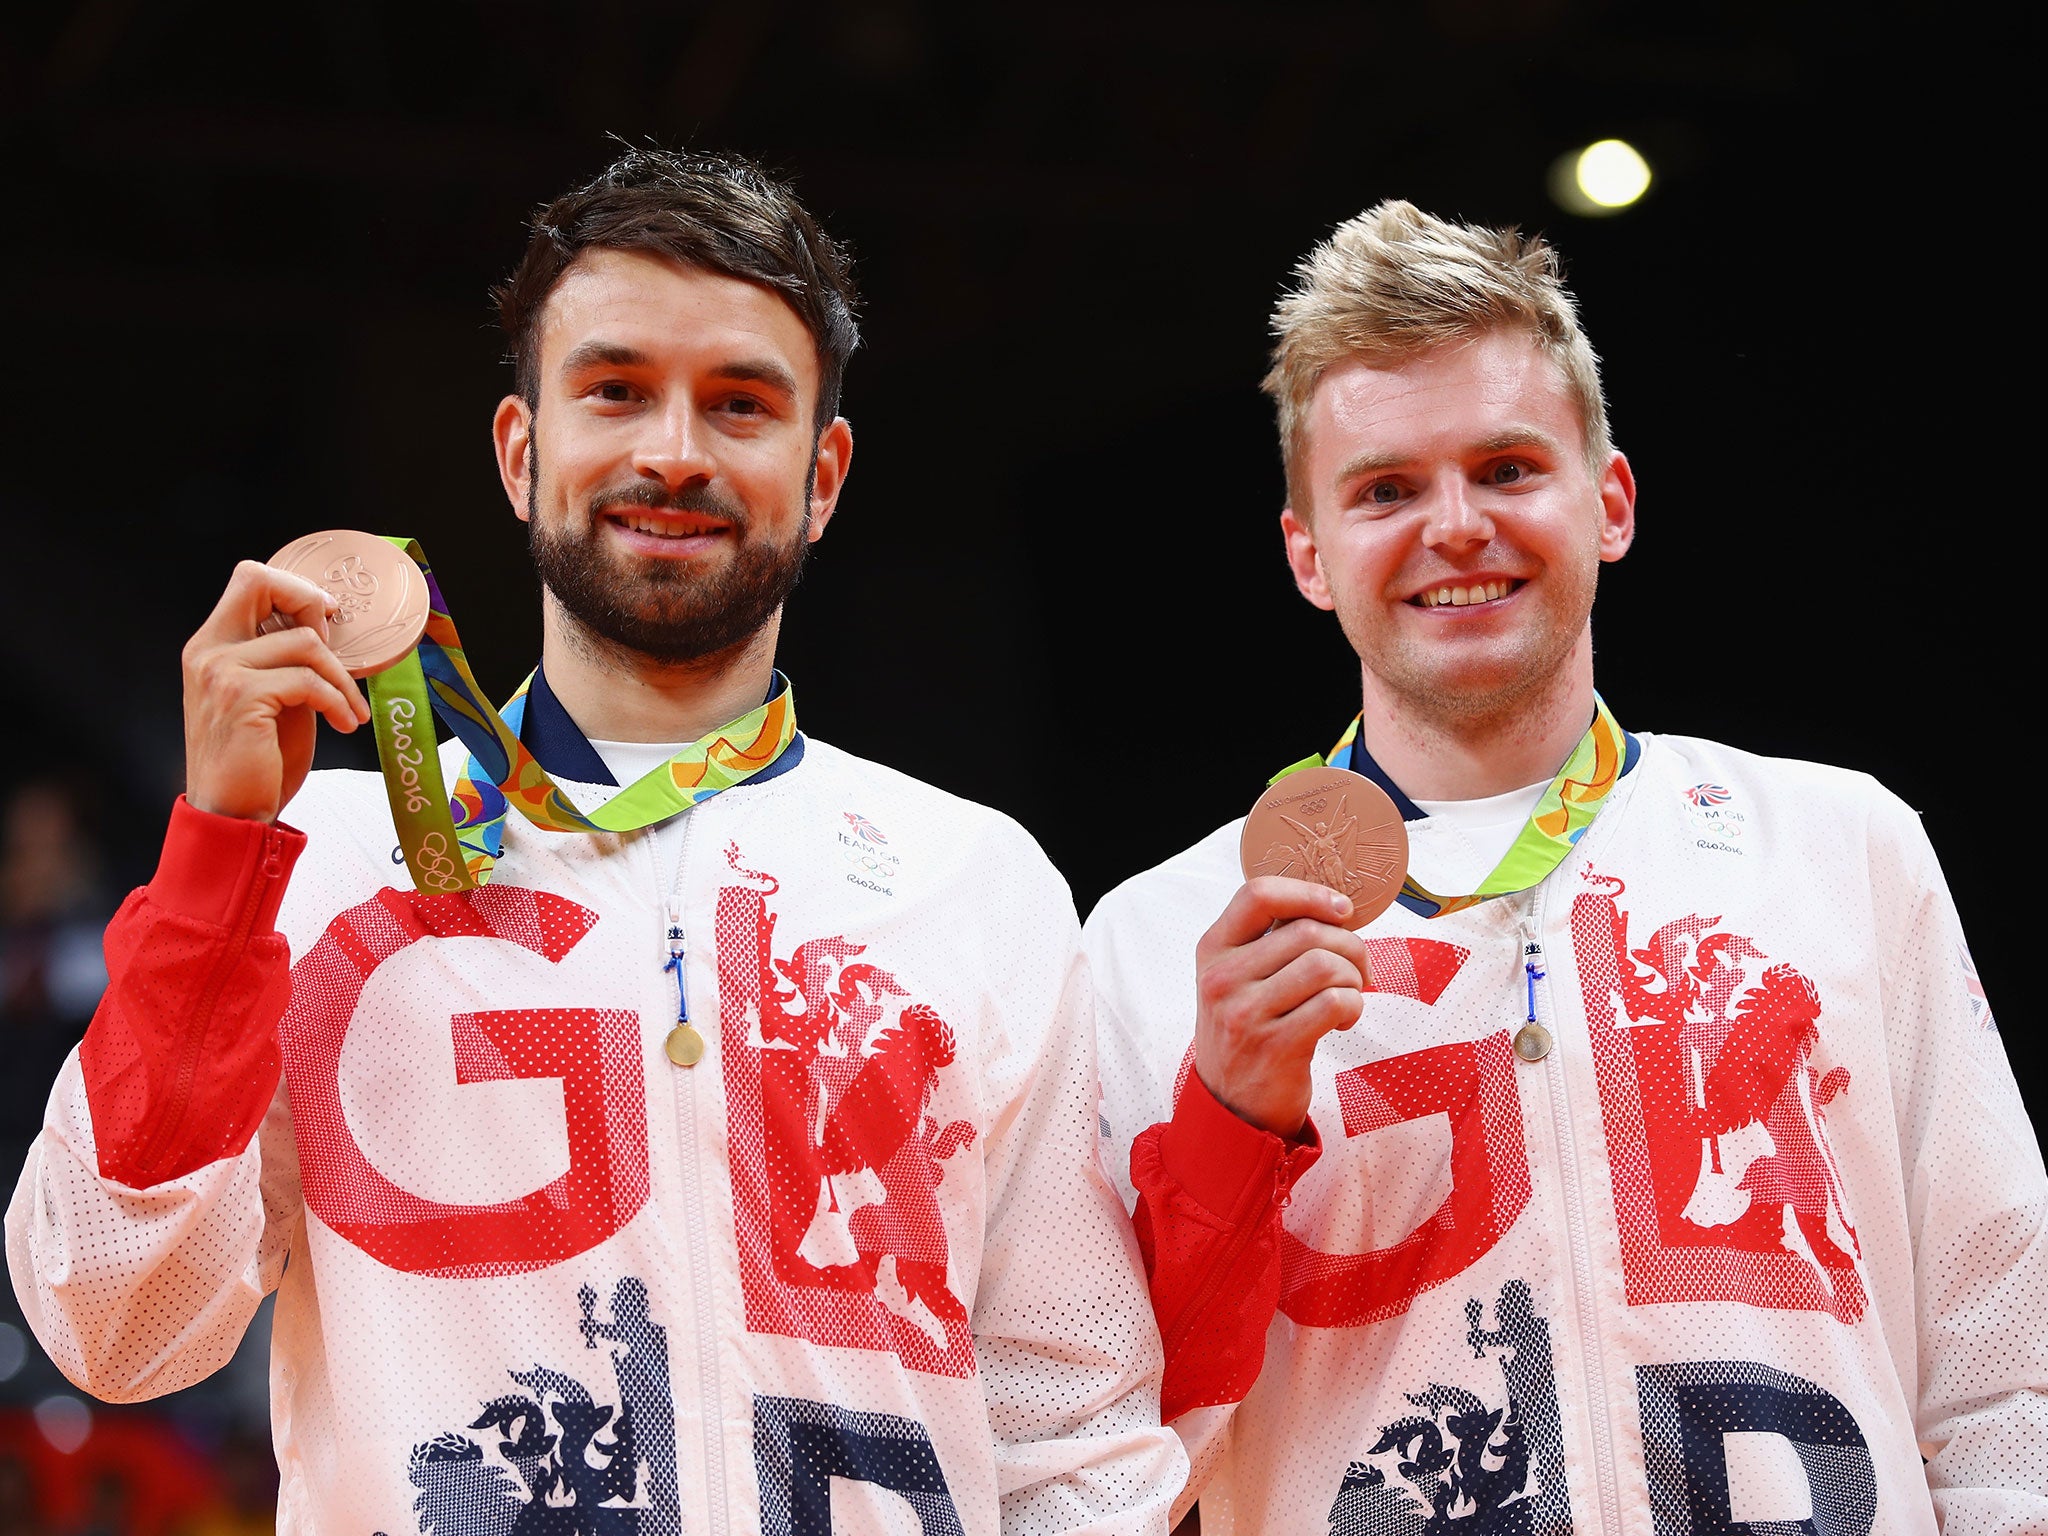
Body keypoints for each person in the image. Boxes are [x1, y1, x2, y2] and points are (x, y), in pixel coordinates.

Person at [6, 147, 1183, 1535]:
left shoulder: (975, 881)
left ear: (824, 474)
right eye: (615, 390)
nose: (673, 451)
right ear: (522, 451)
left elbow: (1073, 1437)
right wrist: (217, 858)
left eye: (740, 405)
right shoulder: (319, 860)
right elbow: (112, 1318)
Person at [1086, 201, 2048, 1534]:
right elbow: (1105, 1455)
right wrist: (1232, 1129)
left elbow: (2005, 1355)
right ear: (1310, 555)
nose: (1457, 526)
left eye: (1507, 468)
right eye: (1385, 490)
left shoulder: (1840, 846)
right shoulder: (1164, 939)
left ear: (1610, 504)